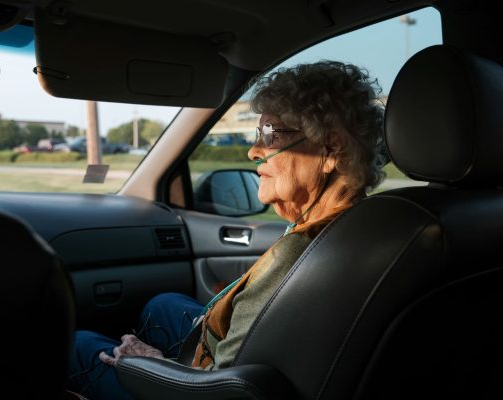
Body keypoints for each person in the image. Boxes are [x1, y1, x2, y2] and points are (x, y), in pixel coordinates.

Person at [67, 60, 386, 399]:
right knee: (163, 305)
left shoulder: (298, 251)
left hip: (214, 388)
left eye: (270, 134)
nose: (253, 151)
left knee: (78, 344)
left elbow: (221, 386)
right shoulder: (371, 226)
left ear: (331, 150)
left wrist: (151, 362)